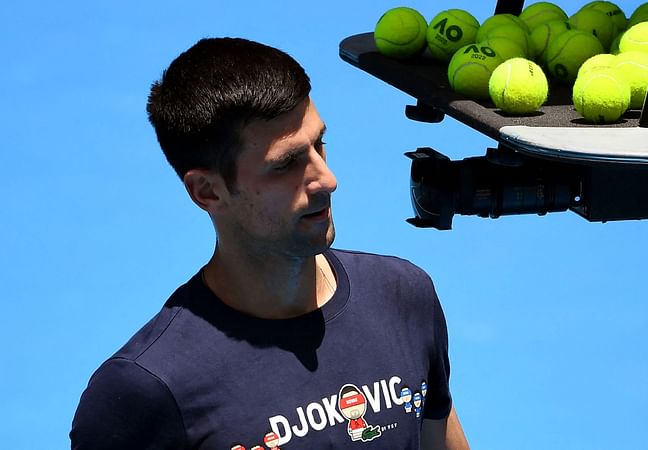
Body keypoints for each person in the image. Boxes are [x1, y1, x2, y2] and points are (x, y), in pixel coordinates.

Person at [70, 37, 469, 449]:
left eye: (319, 144)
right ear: (207, 192)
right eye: (286, 165)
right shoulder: (145, 392)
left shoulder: (403, 297)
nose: (327, 180)